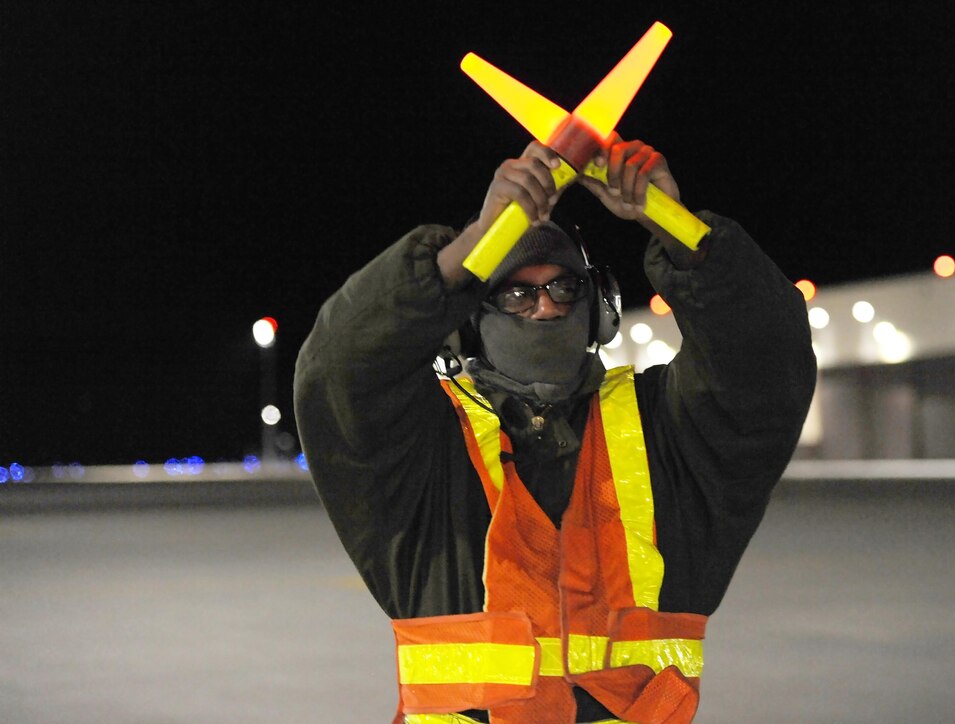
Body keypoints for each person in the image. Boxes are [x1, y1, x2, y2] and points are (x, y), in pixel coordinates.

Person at [293, 137, 817, 723]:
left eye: (564, 288)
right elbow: (338, 369)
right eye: (516, 293)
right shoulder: (424, 458)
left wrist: (681, 232)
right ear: (471, 323)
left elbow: (769, 361)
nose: (546, 308)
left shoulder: (667, 435)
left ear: (597, 309)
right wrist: (466, 250)